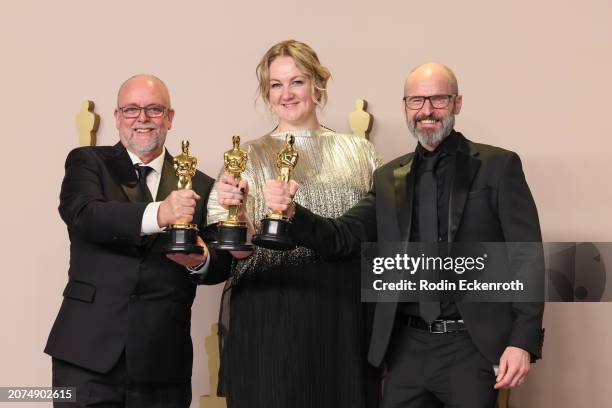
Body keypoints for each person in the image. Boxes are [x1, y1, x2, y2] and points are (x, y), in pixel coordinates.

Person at [265, 63, 545, 408]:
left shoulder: (498, 166)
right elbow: (343, 237)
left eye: (437, 99)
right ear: (405, 107)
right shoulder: (387, 177)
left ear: (456, 103)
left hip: (470, 347)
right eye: (416, 101)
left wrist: (522, 342)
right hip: (405, 348)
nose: (426, 110)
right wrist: (293, 214)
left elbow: (526, 257)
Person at [205, 40, 382, 408]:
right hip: (269, 310)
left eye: (297, 81)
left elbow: (376, 233)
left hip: (343, 314)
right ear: (266, 93)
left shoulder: (360, 152)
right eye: (276, 84)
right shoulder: (245, 156)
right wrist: (239, 225)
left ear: (318, 85)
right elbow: (234, 250)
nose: (287, 94)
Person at [45, 74, 229, 408]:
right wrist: (162, 213)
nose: (141, 119)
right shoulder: (88, 162)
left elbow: (220, 265)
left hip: (163, 361)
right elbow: (86, 216)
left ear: (170, 117)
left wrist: (201, 260)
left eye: (153, 109)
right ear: (117, 118)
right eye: (131, 110)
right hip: (85, 355)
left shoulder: (203, 184)